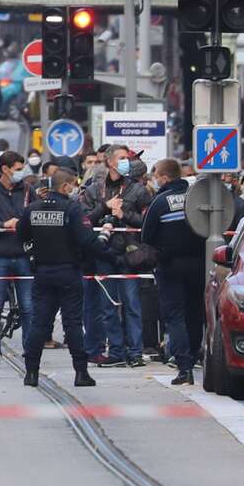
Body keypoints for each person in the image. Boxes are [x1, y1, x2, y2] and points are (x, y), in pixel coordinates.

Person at [18, 168, 101, 388]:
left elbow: (22, 234)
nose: (73, 189)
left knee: (39, 323)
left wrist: (33, 254)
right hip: (68, 272)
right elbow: (85, 239)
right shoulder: (72, 209)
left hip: (42, 272)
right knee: (72, 323)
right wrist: (104, 246)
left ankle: (31, 373)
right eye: (72, 185)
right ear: (65, 187)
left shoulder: (32, 209)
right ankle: (81, 373)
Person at [78, 148, 150, 368]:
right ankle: (116, 351)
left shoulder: (138, 190)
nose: (127, 162)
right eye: (122, 159)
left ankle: (135, 351)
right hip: (103, 254)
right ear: (109, 163)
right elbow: (83, 220)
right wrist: (104, 208)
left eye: (127, 159)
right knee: (107, 306)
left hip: (130, 255)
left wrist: (123, 215)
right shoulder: (93, 190)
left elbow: (147, 221)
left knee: (132, 305)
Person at [141, 157, 208, 387]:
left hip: (170, 267)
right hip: (199, 265)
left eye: (156, 175)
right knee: (194, 315)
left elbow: (146, 237)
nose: (155, 179)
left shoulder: (159, 202)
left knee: (175, 317)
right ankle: (194, 356)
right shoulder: (196, 197)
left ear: (165, 177)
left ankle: (184, 367)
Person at [0, 151, 32, 369]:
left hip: (23, 254)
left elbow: (35, 214)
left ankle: (30, 349)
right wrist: (4, 225)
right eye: (18, 169)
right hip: (0, 256)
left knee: (28, 305)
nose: (21, 173)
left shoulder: (28, 191)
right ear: (5, 169)